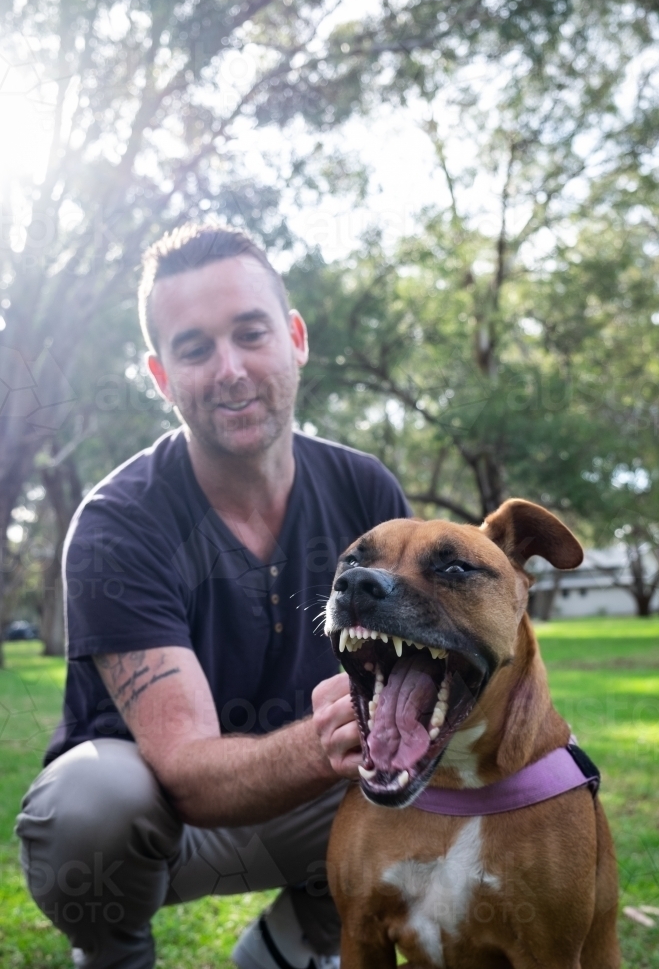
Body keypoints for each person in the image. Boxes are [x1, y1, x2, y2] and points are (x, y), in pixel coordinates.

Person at [16, 224, 411, 969]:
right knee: (88, 806)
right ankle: (113, 952)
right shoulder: (117, 524)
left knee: (431, 764)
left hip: (314, 804)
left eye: (250, 333)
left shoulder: (366, 490)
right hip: (162, 826)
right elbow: (189, 773)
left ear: (294, 338)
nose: (229, 369)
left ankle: (294, 947)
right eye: (195, 348)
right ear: (163, 376)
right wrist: (330, 736)